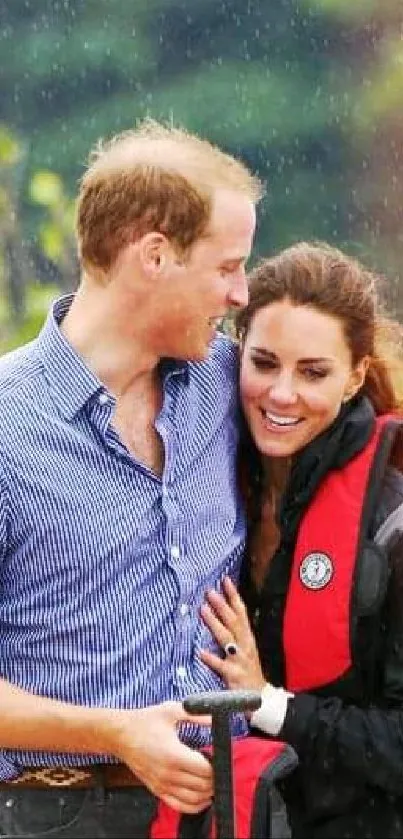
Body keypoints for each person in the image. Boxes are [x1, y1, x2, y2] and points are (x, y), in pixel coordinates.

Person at [0, 119, 261, 837]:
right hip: (57, 813)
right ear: (154, 256)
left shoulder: (231, 383)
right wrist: (114, 731)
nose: (241, 294)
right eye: (227, 265)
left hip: (231, 806)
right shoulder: (4, 427)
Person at [199, 241, 403, 838]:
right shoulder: (211, 477)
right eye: (263, 363)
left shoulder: (392, 523)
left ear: (356, 375)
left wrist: (265, 701)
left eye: (313, 372)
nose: (281, 394)